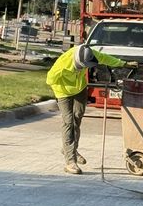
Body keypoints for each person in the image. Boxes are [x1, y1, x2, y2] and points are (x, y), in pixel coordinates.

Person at [46, 44, 138, 174]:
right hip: (63, 92)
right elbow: (50, 80)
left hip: (80, 88)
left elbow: (105, 58)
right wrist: (62, 91)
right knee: (68, 122)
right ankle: (70, 161)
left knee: (78, 116)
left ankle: (70, 149)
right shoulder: (62, 63)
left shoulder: (89, 52)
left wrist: (123, 64)